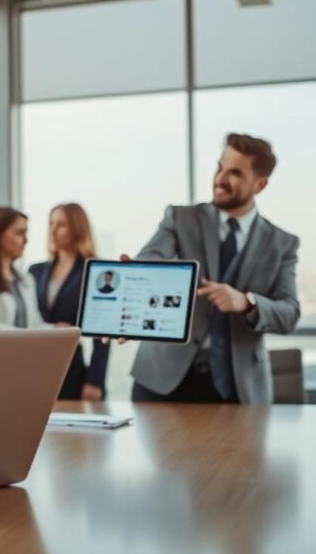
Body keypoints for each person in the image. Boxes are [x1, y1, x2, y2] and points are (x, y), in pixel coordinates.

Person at [122, 133, 300, 405]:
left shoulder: (282, 243)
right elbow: (152, 257)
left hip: (237, 389)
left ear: (260, 184)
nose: (220, 179)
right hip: (163, 380)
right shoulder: (180, 218)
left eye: (235, 173)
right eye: (219, 167)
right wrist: (135, 275)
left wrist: (247, 302)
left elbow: (289, 314)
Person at [29, 203, 110, 401]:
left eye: (61, 225)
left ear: (76, 229)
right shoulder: (35, 271)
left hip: (72, 367)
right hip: (35, 366)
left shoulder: (93, 271)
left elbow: (102, 332)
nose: (53, 231)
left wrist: (95, 381)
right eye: (51, 224)